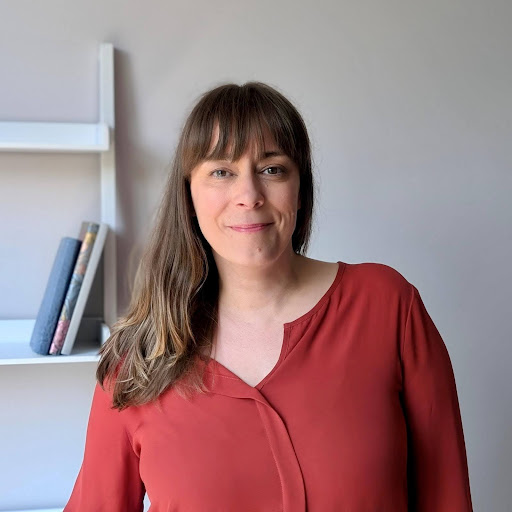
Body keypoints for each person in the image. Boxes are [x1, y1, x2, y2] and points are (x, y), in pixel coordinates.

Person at [63, 81, 473, 511]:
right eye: (222, 172)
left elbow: (447, 497)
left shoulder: (387, 308)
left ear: (300, 187)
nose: (249, 196)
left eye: (272, 169)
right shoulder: (139, 360)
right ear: (189, 193)